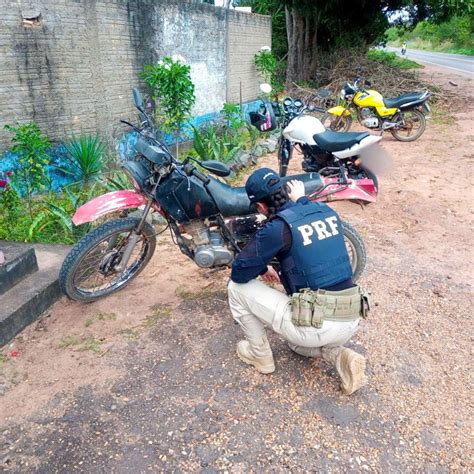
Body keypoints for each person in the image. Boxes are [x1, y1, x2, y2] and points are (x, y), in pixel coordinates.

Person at [228, 168, 369, 395]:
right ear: (286, 191)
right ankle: (341, 355)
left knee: (235, 288)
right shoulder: (325, 209)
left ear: (261, 207)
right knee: (295, 344)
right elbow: (304, 213)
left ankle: (260, 357)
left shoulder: (276, 229)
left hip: (317, 326)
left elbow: (238, 272)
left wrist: (263, 267)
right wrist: (301, 198)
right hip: (351, 317)